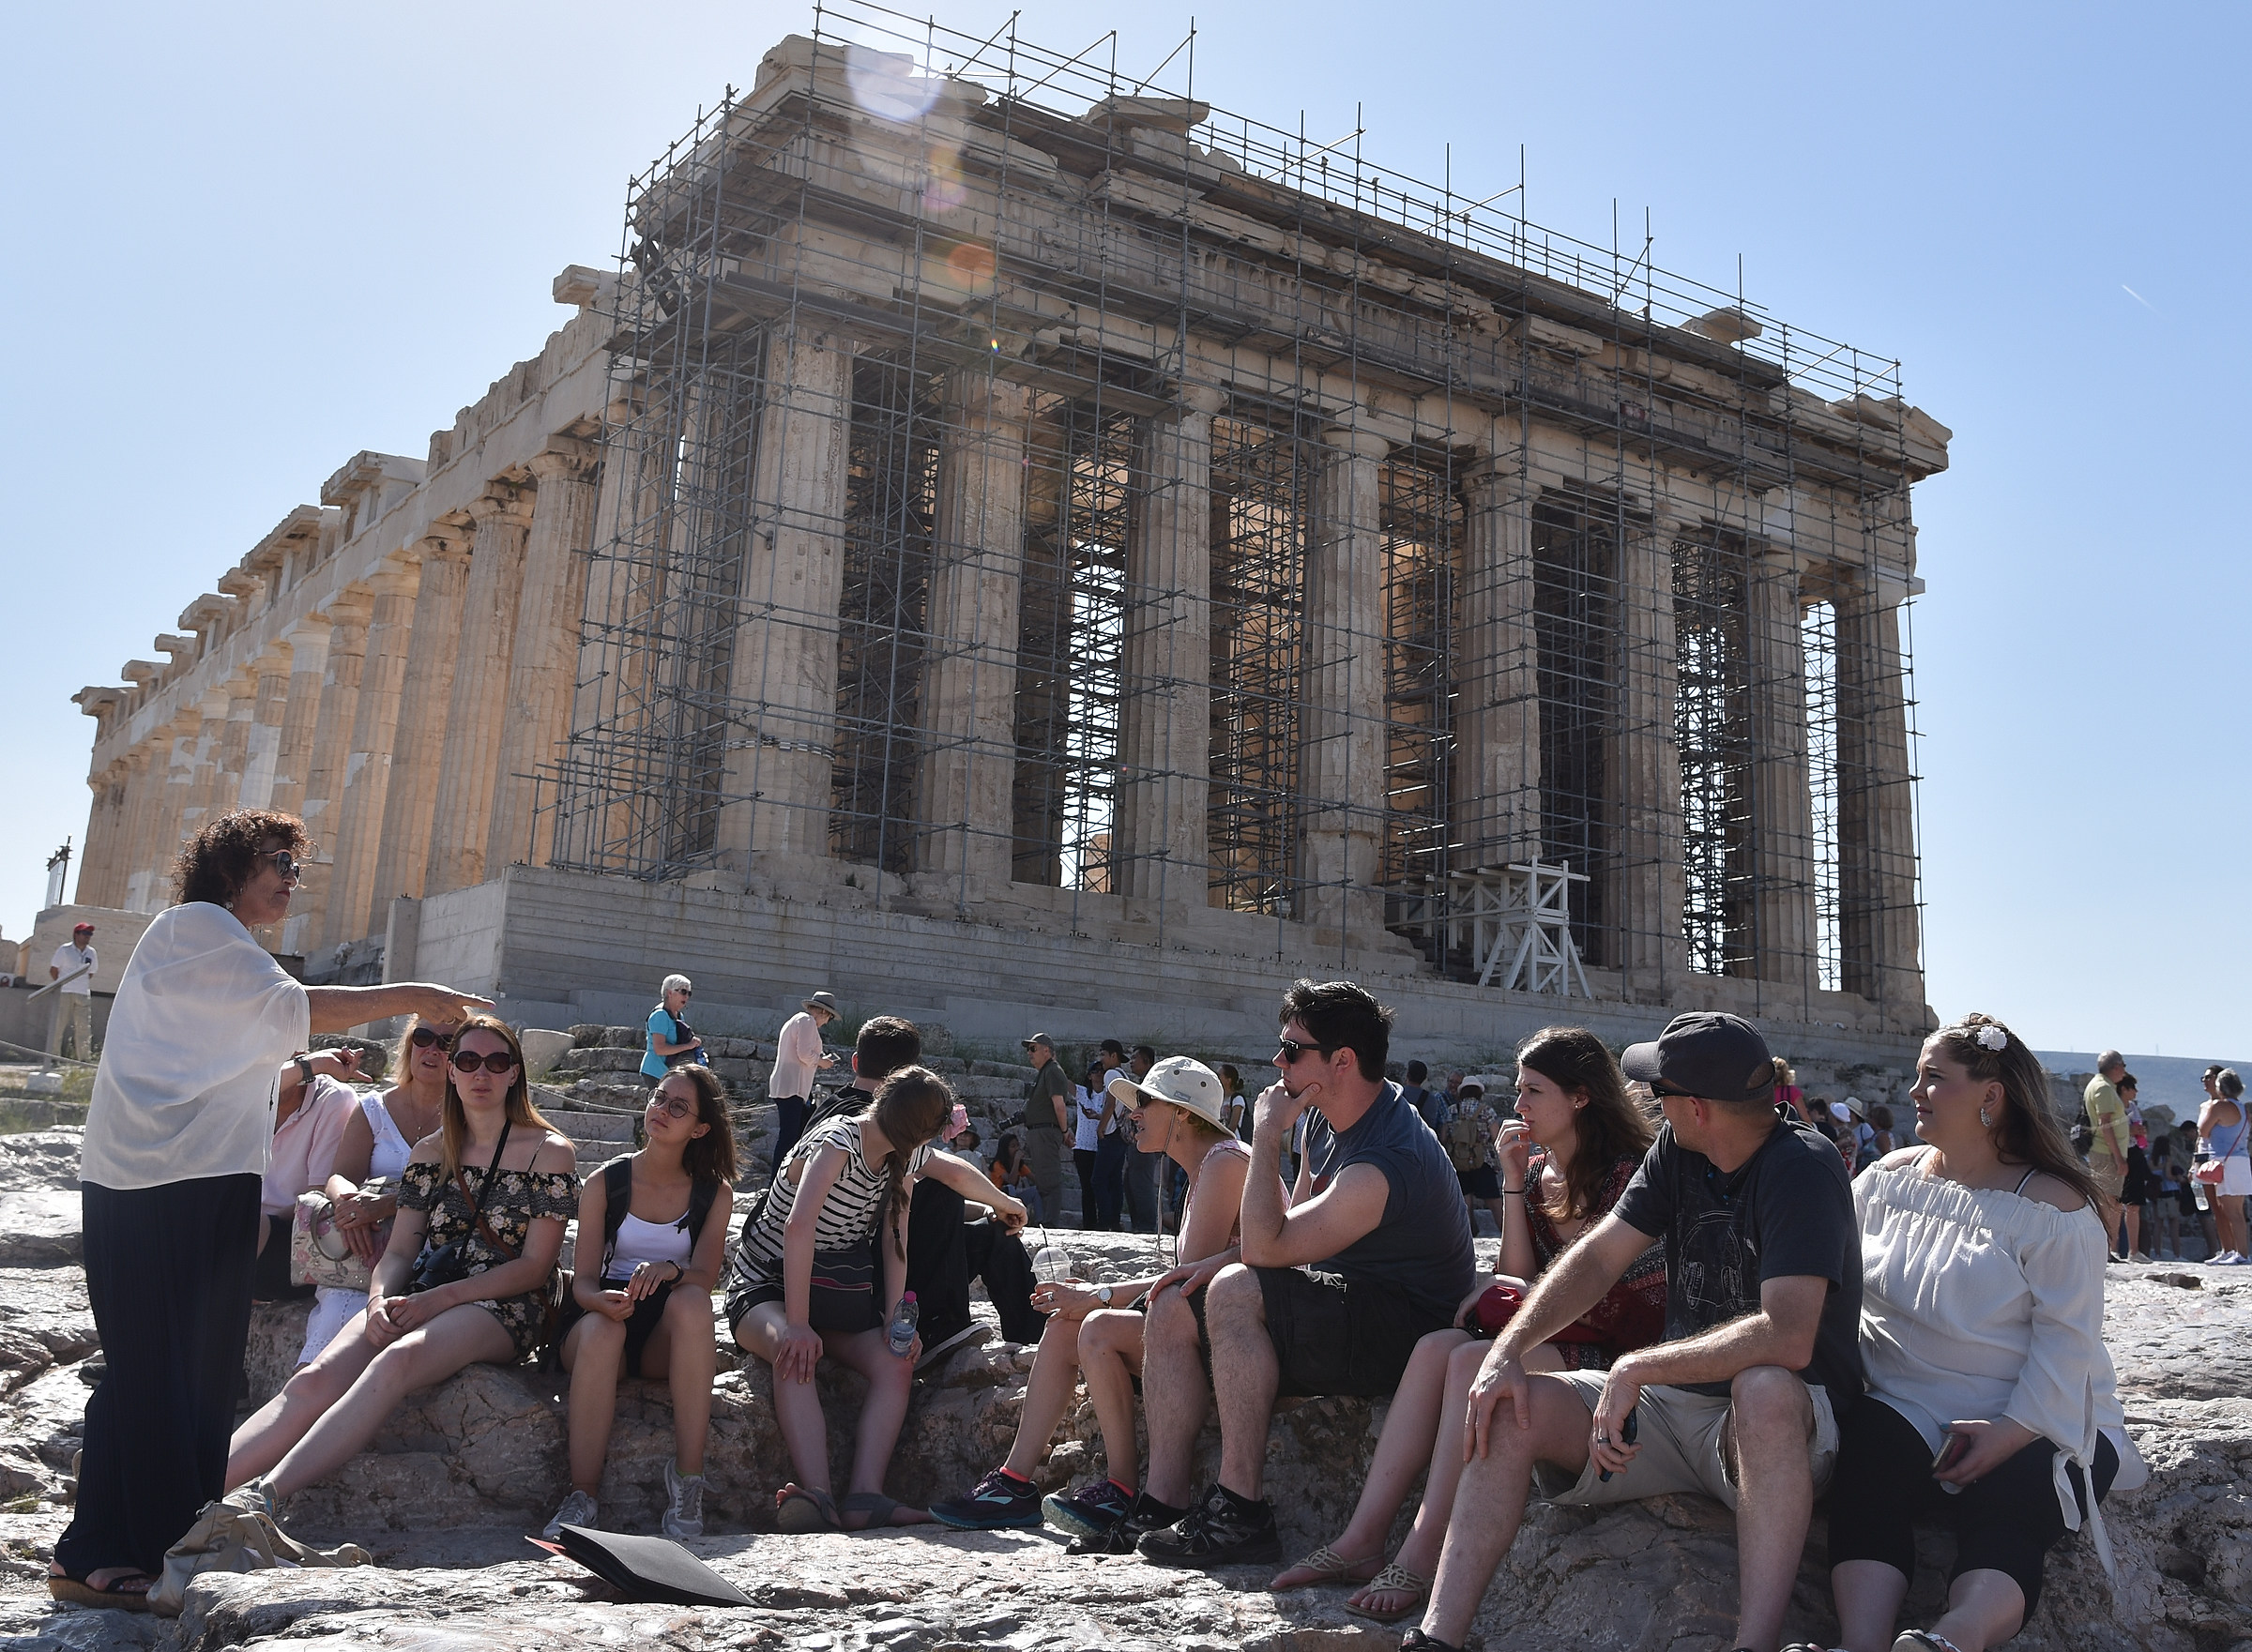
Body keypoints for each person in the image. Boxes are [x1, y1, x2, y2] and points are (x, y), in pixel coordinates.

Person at [48, 810, 488, 1614]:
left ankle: (110, 1548)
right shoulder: (199, 929)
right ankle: (135, 1550)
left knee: (166, 1367)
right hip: (167, 1182)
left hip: (172, 1178)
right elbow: (304, 1006)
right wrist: (420, 994)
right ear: (229, 867)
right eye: (279, 861)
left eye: (296, 864)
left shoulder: (216, 945)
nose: (292, 877)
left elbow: (257, 1049)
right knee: (172, 1369)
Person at [1408, 1011, 1863, 1652]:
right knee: (1511, 1406)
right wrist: (1507, 1350)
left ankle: (1753, 1643)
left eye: (1661, 1091)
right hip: (1677, 1409)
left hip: (1775, 1429)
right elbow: (1597, 1258)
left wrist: (1638, 1367)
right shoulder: (1679, 1147)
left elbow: (1788, 1336)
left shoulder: (1804, 1166)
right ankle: (1437, 1638)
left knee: (1763, 1387)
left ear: (1697, 1107)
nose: (1650, 1101)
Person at [1273, 1027, 1662, 1623]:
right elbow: (1517, 1273)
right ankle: (1362, 1537)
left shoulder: (1626, 1176)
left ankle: (1424, 1551)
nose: (1518, 1104)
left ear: (1581, 1097)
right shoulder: (1538, 1170)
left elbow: (1633, 1305)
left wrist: (1526, 1300)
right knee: (1434, 1348)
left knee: (1466, 1359)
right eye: (1519, 1089)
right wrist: (1512, 1181)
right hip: (1552, 1334)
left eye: (1533, 1091)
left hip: (1618, 1352)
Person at [1824, 1014, 2147, 1652]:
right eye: (1918, 1075)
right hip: (1906, 1406)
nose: (1915, 1090)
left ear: (1991, 1095)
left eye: (1934, 1077)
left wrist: (2009, 1432)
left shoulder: (2053, 1209)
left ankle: (1948, 1642)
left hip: (2036, 1413)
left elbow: (2068, 1343)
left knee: (2010, 1507)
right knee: (1865, 1468)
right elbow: (1836, 1291)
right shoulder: (1884, 1183)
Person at [1135, 980, 1477, 1568]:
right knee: (1173, 1301)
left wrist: (1266, 1132)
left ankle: (1240, 1511)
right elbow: (1288, 1235)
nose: (1278, 1062)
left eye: (1293, 1050)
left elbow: (1266, 1247)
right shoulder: (1323, 1117)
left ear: (1341, 1061)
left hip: (1403, 1326)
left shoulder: (1385, 1160)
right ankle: (1161, 1502)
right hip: (1345, 1298)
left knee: (1234, 1289)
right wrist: (1216, 1262)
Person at [225, 1017, 575, 1516]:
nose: (481, 1073)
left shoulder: (549, 1152)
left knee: (397, 1359)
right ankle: (192, 1492)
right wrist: (377, 1301)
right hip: (425, 1286)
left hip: (504, 1301)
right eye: (468, 1061)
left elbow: (535, 1266)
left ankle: (261, 1500)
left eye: (496, 1062)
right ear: (452, 1072)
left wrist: (437, 1300)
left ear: (514, 1074)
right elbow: (399, 1253)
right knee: (313, 1380)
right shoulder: (431, 1151)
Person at [929, 1057, 1254, 1544]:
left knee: (1096, 1327)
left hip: (1233, 1341)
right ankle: (1016, 1483)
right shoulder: (1206, 1166)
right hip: (1199, 1328)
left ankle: (1121, 1488)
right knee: (1065, 1325)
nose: (1132, 1113)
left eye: (1145, 1102)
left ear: (1183, 1114)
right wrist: (1088, 1299)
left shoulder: (1225, 1163)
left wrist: (1097, 1295)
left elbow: (1187, 1285)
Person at [723, 1065, 953, 1531]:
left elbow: (895, 1238)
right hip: (766, 1283)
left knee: (895, 1362)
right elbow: (798, 1226)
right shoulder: (838, 1140)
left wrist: (893, 1321)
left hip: (832, 1291)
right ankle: (819, 1496)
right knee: (793, 1351)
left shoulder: (906, 1157)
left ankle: (865, 1495)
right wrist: (798, 1324)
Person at [546, 1064, 737, 1540]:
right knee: (604, 1330)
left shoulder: (714, 1193)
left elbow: (705, 1278)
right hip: (598, 1319)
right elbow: (581, 1282)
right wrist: (600, 1302)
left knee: (693, 1303)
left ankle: (688, 1478)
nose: (662, 1110)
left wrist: (671, 1271)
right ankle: (583, 1495)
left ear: (700, 1129)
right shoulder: (605, 1182)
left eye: (679, 1107)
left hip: (661, 1333)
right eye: (659, 1097)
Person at [297, 1015, 456, 1365]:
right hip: (368, 1247)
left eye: (446, 1042)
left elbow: (460, 1192)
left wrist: (384, 1206)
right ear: (409, 1044)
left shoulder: (469, 1117)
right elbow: (340, 1175)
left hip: (434, 1253)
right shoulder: (374, 1108)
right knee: (334, 1317)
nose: (432, 1049)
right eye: (423, 1037)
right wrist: (348, 1204)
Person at [251, 1047, 366, 1304]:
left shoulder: (334, 1099)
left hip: (299, 1233)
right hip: (247, 1231)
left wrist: (257, 1222)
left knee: (240, 1228)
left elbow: (317, 1197)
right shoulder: (246, 1098)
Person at [768, 991, 841, 1172]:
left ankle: (784, 1176)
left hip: (789, 1085)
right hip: (792, 1086)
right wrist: (822, 1061)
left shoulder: (797, 1020)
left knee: (797, 1134)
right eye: (829, 1018)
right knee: (789, 1137)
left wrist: (819, 1059)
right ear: (824, 1012)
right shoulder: (807, 1021)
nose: (827, 1022)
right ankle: (777, 1179)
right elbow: (805, 1054)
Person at [2082, 1052, 2132, 1262]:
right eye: (2123, 1065)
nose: (2125, 1070)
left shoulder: (2101, 1085)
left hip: (2104, 1151)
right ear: (2116, 1066)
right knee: (2109, 1201)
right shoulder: (2103, 1088)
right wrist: (2119, 1157)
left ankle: (2108, 1248)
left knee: (2109, 1200)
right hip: (2106, 1153)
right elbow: (2106, 1124)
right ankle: (2107, 1248)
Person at [2199, 1068, 2250, 1265]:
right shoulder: (2243, 1109)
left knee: (2229, 1210)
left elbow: (2203, 1130)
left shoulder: (2219, 1106)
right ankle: (2240, 1252)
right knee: (2237, 1210)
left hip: (2225, 1161)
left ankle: (2240, 1254)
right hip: (2241, 1161)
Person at [1019, 1033, 1071, 1229]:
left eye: (1033, 1048)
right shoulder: (1045, 1072)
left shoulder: (1053, 1071)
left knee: (1049, 1180)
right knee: (1043, 1179)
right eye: (1028, 1049)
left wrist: (1064, 1131)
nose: (1029, 1053)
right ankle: (1046, 1220)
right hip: (1039, 1132)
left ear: (1046, 1050)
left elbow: (1059, 1106)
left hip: (1046, 1132)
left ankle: (1050, 1223)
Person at [1441, 1081, 1506, 1233]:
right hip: (1483, 1159)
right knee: (1494, 1202)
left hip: (1459, 1160)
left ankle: (1470, 1235)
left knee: (1465, 1200)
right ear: (1479, 1093)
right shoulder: (1486, 1110)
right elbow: (1496, 1137)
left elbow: (1443, 1137)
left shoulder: (1452, 1110)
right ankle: (1507, 1234)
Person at [1122, 1045, 1163, 1233]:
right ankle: (1139, 1226)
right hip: (1136, 1141)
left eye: (1135, 1058)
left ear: (1146, 1061)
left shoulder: (1153, 1085)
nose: (1131, 1062)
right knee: (1131, 1184)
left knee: (1141, 1184)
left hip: (1147, 1142)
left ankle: (1146, 1227)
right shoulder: (1143, 1083)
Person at [640, 976, 703, 1087]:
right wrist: (688, 1046)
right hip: (655, 1070)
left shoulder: (679, 1015)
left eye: (689, 993)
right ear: (670, 993)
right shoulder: (660, 1015)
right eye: (683, 992)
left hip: (668, 1071)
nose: (686, 996)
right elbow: (659, 1049)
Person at [2116, 1074, 2153, 1262]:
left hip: (2134, 1152)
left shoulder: (2133, 1107)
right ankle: (2112, 1248)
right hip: (2117, 1153)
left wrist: (2139, 1132)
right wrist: (2129, 1130)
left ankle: (2134, 1250)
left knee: (2134, 1203)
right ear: (2124, 1089)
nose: (2136, 1092)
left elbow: (2137, 1126)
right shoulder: (2114, 1106)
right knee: (2114, 1202)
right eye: (2133, 1088)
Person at [1092, 1040, 1130, 1229]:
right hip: (1121, 1135)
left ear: (1113, 1055)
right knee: (1114, 1180)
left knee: (1098, 1180)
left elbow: (1110, 1103)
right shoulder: (1124, 1075)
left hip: (1111, 1134)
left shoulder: (1111, 1074)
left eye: (1103, 1054)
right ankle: (1114, 1221)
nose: (1101, 1059)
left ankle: (1104, 1221)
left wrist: (1100, 1127)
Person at [47, 921, 97, 1061]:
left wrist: (79, 984)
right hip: (64, 992)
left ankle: (84, 1060)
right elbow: (53, 970)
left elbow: (91, 973)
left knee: (83, 1028)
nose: (88, 936)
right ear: (76, 934)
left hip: (82, 993)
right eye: (85, 933)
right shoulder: (64, 949)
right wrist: (62, 984)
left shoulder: (91, 952)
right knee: (58, 1026)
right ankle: (53, 1058)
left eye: (90, 933)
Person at [1073, 1060, 1106, 1230]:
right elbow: (1064, 1082)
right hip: (1083, 1147)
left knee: (1101, 1185)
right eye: (1095, 1070)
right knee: (1087, 1186)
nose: (1099, 1073)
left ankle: (1104, 1220)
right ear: (1089, 1075)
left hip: (1102, 1146)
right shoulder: (1081, 1092)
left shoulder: (1109, 1095)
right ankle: (1089, 1223)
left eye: (1102, 1070)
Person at [2146, 1121, 2184, 1260]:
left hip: (2157, 1192)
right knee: (2174, 1223)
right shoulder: (2167, 1158)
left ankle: (2157, 1253)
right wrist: (2177, 1178)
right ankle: (2177, 1254)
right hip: (2171, 1191)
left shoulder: (2149, 1158)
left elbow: (2151, 1172)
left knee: (2158, 1224)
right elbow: (2168, 1176)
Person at [992, 1131, 1042, 1222]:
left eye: (1017, 1145)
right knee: (1010, 1188)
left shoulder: (1020, 1165)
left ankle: (1040, 1221)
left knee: (1035, 1190)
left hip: (1013, 1199)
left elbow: (1035, 1179)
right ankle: (1012, 1219)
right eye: (1013, 1146)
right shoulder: (997, 1164)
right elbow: (1011, 1181)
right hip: (999, 1199)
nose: (1017, 1149)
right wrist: (1016, 1160)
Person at [1219, 1065, 1248, 1137]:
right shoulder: (1219, 1098)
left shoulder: (1237, 1099)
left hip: (1233, 1139)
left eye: (1219, 1075)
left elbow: (1232, 1127)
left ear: (1228, 1080)